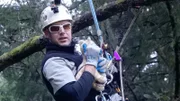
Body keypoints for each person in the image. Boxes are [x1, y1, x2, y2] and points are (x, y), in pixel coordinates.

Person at [40, 2, 109, 101]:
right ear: (47, 33)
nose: (62, 31)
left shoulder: (78, 50)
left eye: (66, 26)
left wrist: (105, 67)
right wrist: (92, 64)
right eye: (55, 28)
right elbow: (74, 96)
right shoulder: (52, 62)